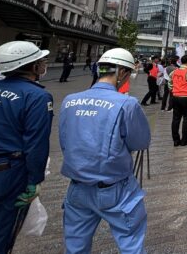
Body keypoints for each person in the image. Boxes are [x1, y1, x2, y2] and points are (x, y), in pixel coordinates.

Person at [59, 48, 150, 253]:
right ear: (122, 72)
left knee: (75, 246)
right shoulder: (127, 103)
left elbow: (65, 140)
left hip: (77, 186)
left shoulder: (70, 100)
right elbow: (140, 142)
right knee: (131, 243)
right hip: (116, 187)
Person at [0, 41, 53, 253]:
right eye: (41, 60)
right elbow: (36, 143)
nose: (44, 64)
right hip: (6, 174)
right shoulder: (37, 96)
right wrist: (34, 180)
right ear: (33, 66)